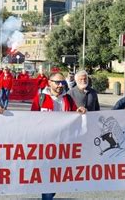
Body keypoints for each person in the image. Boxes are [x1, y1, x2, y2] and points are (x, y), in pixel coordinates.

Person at [31, 72, 85, 200]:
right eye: (57, 82)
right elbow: (31, 119)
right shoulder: (40, 98)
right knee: (48, 179)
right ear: (49, 82)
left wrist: (80, 111)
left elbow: (73, 117)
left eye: (62, 83)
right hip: (45, 145)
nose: (60, 85)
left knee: (57, 178)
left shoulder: (67, 99)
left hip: (62, 145)